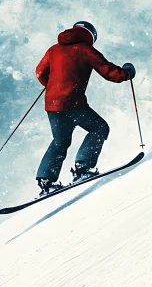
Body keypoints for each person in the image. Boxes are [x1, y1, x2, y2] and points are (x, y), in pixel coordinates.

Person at [35, 21, 136, 194]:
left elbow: (40, 71)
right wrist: (127, 73)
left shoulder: (54, 49)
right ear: (91, 35)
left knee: (60, 141)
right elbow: (108, 71)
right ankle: (83, 167)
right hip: (73, 104)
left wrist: (53, 86)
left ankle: (46, 180)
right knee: (99, 127)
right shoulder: (85, 49)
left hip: (52, 106)